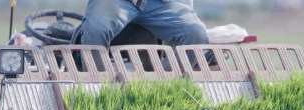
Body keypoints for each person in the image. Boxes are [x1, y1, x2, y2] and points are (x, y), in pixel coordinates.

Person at [80, 0, 209, 49]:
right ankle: (99, 90)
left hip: (157, 3)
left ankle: (164, 88)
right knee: (96, 29)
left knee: (195, 34)